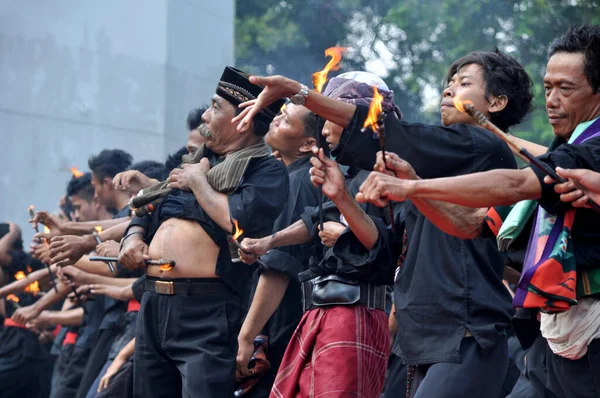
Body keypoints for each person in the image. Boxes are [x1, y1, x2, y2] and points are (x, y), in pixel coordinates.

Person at [235, 49, 533, 397]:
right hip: (420, 340)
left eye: (464, 84)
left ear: (496, 103)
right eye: (448, 84)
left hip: (466, 335)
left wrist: (300, 93)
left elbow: (397, 134)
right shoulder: (426, 172)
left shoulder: (485, 146)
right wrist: (341, 197)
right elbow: (387, 249)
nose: (448, 91)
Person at [356, 25, 600, 398]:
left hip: (575, 331)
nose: (552, 100)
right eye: (548, 87)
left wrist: (412, 187)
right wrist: (416, 185)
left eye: (565, 89)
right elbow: (473, 224)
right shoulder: (558, 158)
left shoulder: (585, 151)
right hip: (548, 334)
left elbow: (517, 184)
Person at [118, 66, 289, 397]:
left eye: (215, 108)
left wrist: (198, 183)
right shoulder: (195, 162)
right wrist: (134, 237)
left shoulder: (265, 171)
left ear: (243, 119)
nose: (205, 118)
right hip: (154, 304)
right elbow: (148, 209)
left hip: (207, 310)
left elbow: (236, 219)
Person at [240, 72, 402, 398]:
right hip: (322, 312)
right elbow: (315, 221)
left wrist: (345, 230)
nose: (325, 130)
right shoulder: (347, 174)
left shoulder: (390, 173)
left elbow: (390, 250)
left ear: (357, 120)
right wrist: (268, 242)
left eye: (332, 119)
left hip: (356, 312)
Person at [234, 102, 320, 397]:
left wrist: (246, 337)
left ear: (309, 144)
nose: (276, 119)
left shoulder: (298, 181)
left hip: (280, 326)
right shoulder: (293, 176)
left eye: (286, 120)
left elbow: (279, 270)